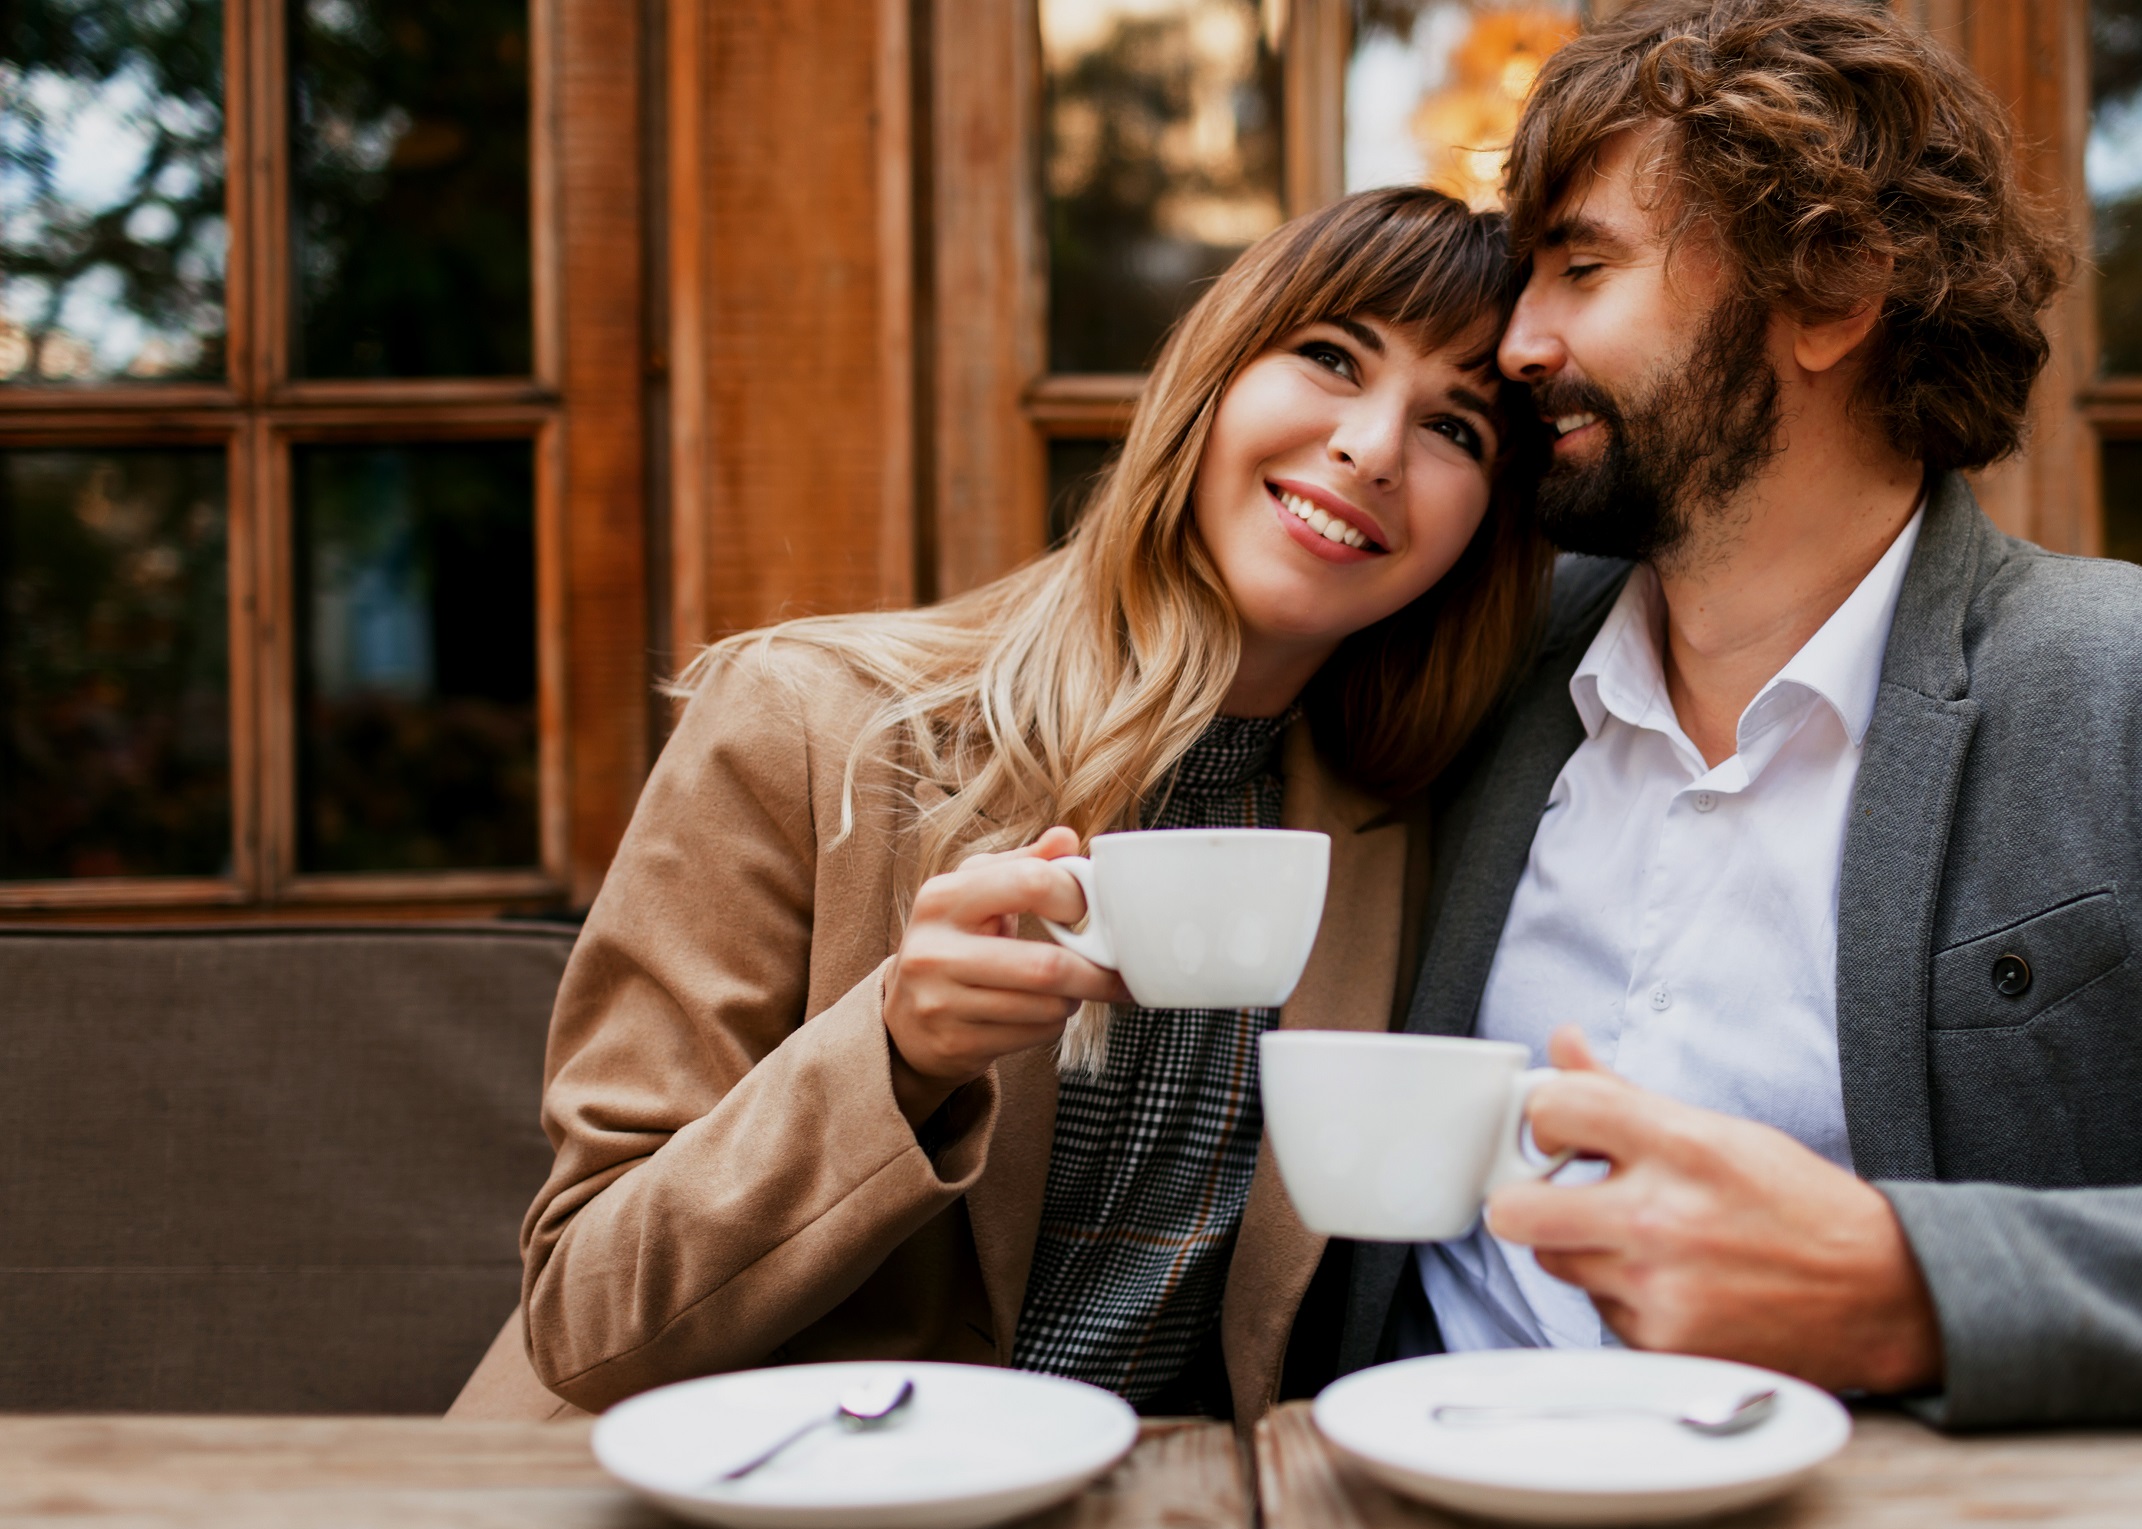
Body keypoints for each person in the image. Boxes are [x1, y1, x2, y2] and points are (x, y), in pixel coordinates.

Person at [1339, 0, 2142, 1425]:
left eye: (1583, 266)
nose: (1517, 342)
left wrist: (1916, 1283)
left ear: (1830, 292)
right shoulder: (1455, 654)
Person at [449, 187, 1548, 1423]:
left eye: (1456, 425)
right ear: (1212, 377)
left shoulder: (1419, 825)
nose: (1373, 447)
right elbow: (586, 1313)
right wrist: (896, 1053)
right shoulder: (810, 725)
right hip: (716, 1528)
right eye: (1331, 357)